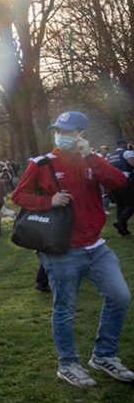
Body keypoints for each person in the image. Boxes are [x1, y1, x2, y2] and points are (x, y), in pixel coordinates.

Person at [12, 110, 133, 387]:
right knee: (64, 309)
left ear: (82, 134)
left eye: (69, 131)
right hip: (62, 250)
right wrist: (49, 200)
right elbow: (19, 195)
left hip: (97, 246)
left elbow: (119, 182)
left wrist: (91, 157)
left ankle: (104, 355)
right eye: (59, 131)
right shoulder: (43, 163)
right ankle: (67, 364)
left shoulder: (92, 161)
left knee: (120, 296)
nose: (63, 136)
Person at [105, 138, 134, 235]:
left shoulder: (110, 156)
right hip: (125, 182)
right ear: (123, 144)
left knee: (120, 205)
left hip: (113, 183)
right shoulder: (127, 153)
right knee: (131, 204)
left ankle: (123, 230)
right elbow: (132, 164)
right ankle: (120, 222)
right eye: (125, 143)